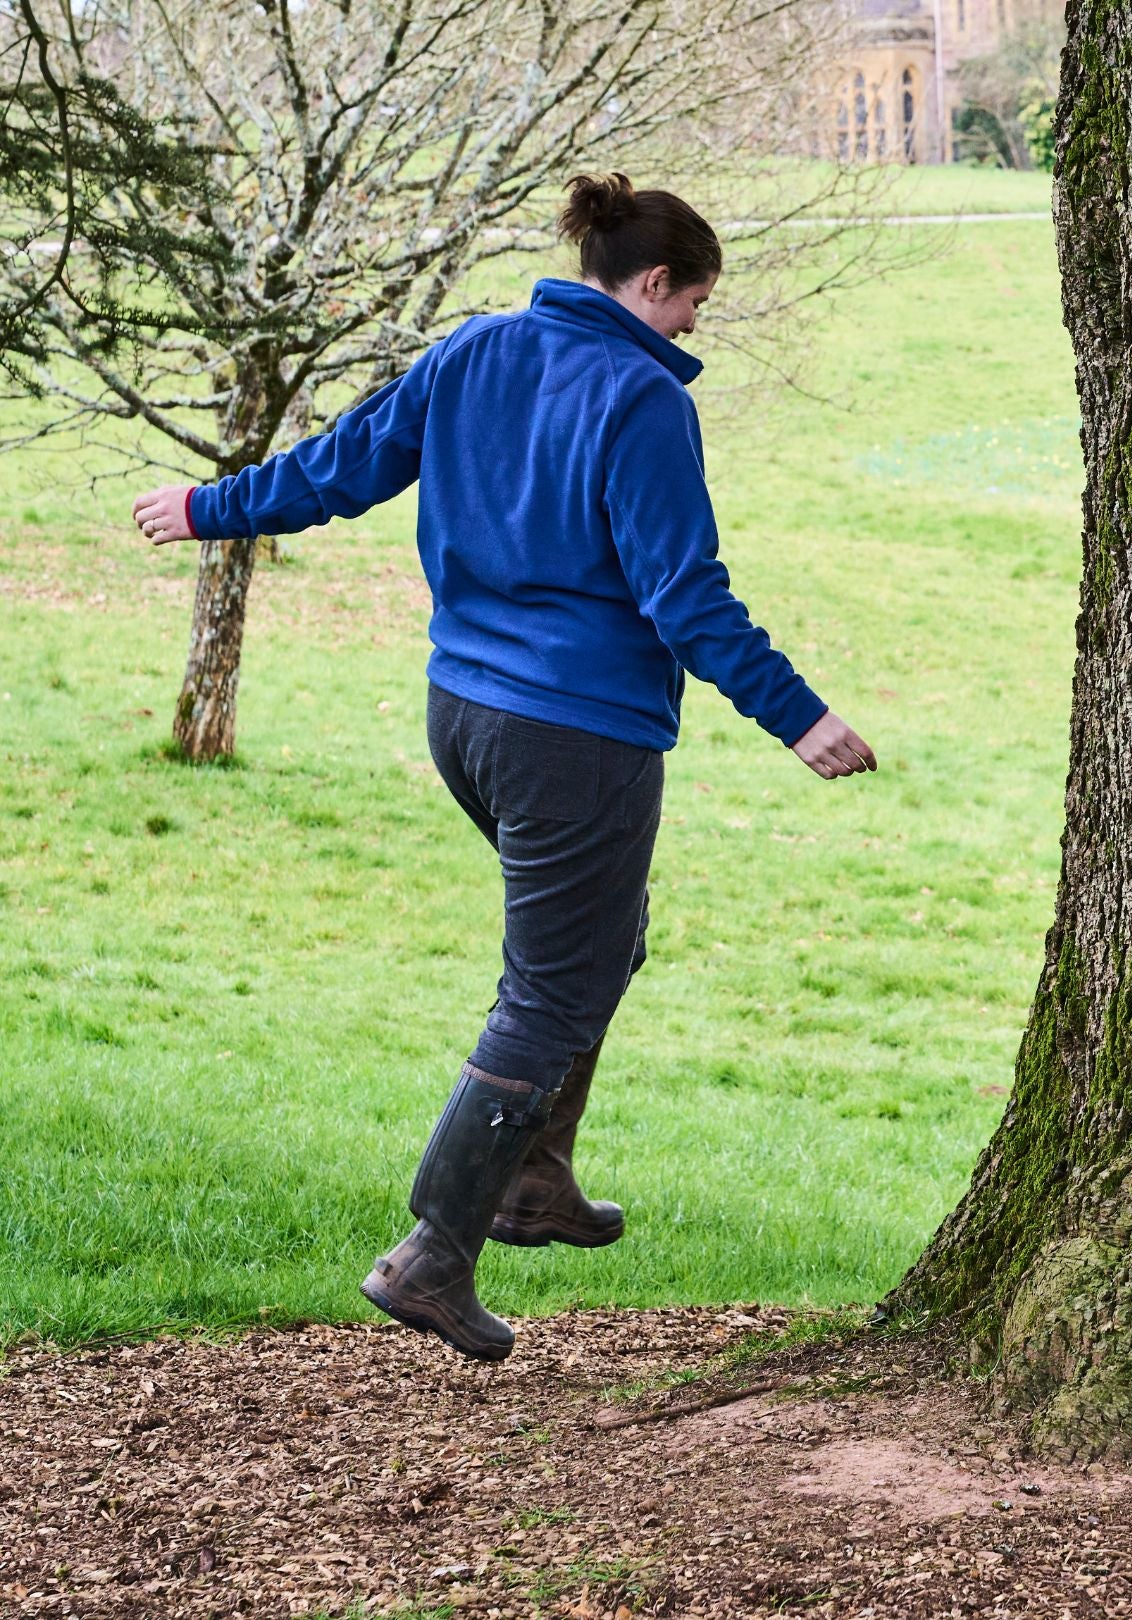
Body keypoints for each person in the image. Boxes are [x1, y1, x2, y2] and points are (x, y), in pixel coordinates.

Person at [127, 173, 875, 1363]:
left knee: (597, 946)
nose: (693, 330)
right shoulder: (642, 400)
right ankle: (435, 1248)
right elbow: (685, 593)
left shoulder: (472, 350)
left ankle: (536, 1181)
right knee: (550, 986)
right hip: (573, 734)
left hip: (463, 713)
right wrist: (800, 719)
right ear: (653, 284)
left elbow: (339, 468)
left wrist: (208, 505)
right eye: (694, 306)